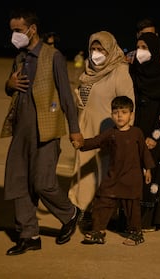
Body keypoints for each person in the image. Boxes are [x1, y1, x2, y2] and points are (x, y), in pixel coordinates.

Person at [1, 8, 84, 256]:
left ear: (32, 29)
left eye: (17, 30)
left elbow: (66, 95)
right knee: (19, 182)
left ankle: (70, 213)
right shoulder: (19, 58)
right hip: (21, 131)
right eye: (12, 31)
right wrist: (9, 85)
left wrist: (74, 130)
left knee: (43, 183)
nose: (14, 35)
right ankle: (29, 235)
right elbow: (11, 87)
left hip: (46, 131)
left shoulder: (53, 56)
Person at [68, 31, 135, 223]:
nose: (96, 53)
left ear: (110, 50)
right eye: (93, 49)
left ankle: (99, 212)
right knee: (82, 170)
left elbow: (128, 106)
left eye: (101, 49)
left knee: (102, 172)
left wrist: (124, 136)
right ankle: (81, 207)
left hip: (105, 131)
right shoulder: (89, 70)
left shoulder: (119, 71)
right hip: (84, 128)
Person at [80, 96, 155, 246]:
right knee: (102, 202)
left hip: (131, 179)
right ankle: (98, 232)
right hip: (113, 177)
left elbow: (144, 152)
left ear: (131, 115)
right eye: (115, 112)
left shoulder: (137, 133)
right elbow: (97, 141)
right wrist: (81, 143)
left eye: (124, 112)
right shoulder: (111, 133)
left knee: (132, 209)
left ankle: (136, 234)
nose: (119, 115)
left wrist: (148, 169)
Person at [129, 32, 160, 231]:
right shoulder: (133, 72)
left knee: (152, 172)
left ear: (154, 50)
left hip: (155, 129)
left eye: (145, 48)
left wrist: (155, 135)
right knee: (133, 171)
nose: (140, 52)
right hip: (135, 127)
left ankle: (150, 218)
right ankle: (131, 217)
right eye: (138, 47)